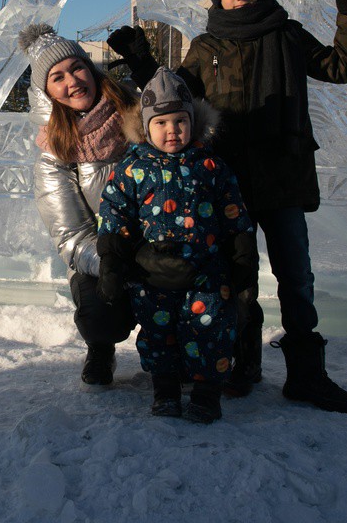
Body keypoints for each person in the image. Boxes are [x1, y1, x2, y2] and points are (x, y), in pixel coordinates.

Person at [107, 0, 347, 414]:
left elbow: (339, 67)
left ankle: (306, 374)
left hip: (284, 176)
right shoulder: (206, 47)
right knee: (236, 277)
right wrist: (141, 59)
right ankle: (239, 364)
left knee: (296, 277)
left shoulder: (287, 35)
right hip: (226, 183)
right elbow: (173, 95)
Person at [96, 68, 255, 423]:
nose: (172, 130)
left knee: (211, 328)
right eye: (162, 122)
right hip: (153, 273)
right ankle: (165, 389)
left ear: (193, 122)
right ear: (146, 127)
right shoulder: (132, 169)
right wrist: (112, 260)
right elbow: (114, 215)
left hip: (207, 271)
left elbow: (234, 214)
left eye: (180, 121)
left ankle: (206, 393)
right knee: (157, 332)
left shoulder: (211, 165)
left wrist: (244, 259)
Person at [21, 23, 138, 386]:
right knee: (100, 315)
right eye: (57, 77)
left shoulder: (137, 114)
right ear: (48, 93)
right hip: (104, 256)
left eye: (76, 68)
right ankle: (100, 347)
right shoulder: (54, 153)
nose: (71, 81)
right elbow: (71, 236)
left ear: (91, 68)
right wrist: (117, 263)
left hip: (163, 241)